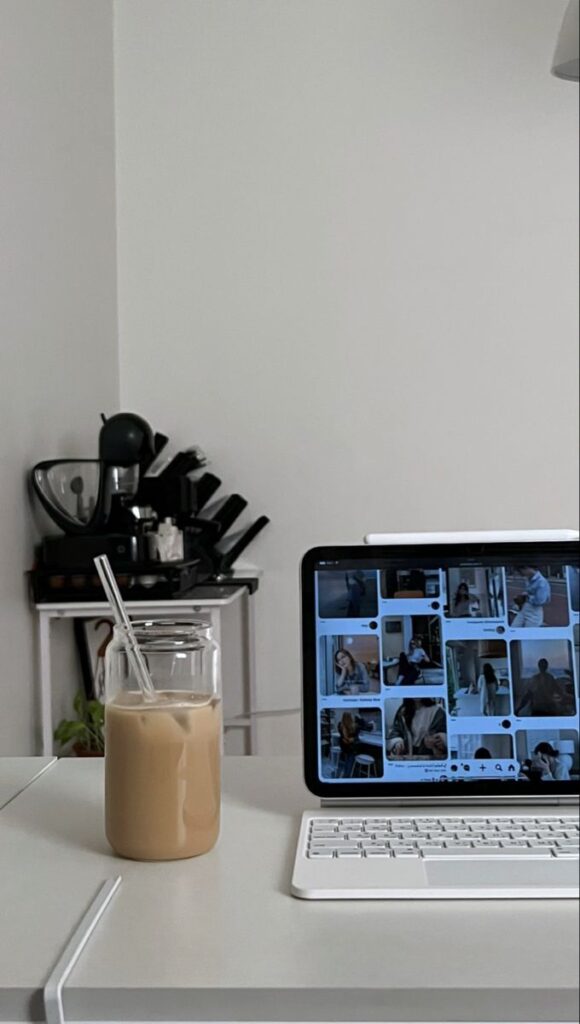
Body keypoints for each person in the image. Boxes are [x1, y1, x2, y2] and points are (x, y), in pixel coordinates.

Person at [337, 711, 374, 777]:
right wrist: (360, 718)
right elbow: (368, 728)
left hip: (343, 747)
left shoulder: (340, 724)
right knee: (350, 760)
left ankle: (346, 775)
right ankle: (348, 776)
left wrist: (350, 739)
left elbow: (344, 737)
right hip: (351, 748)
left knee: (347, 760)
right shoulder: (354, 726)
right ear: (351, 718)